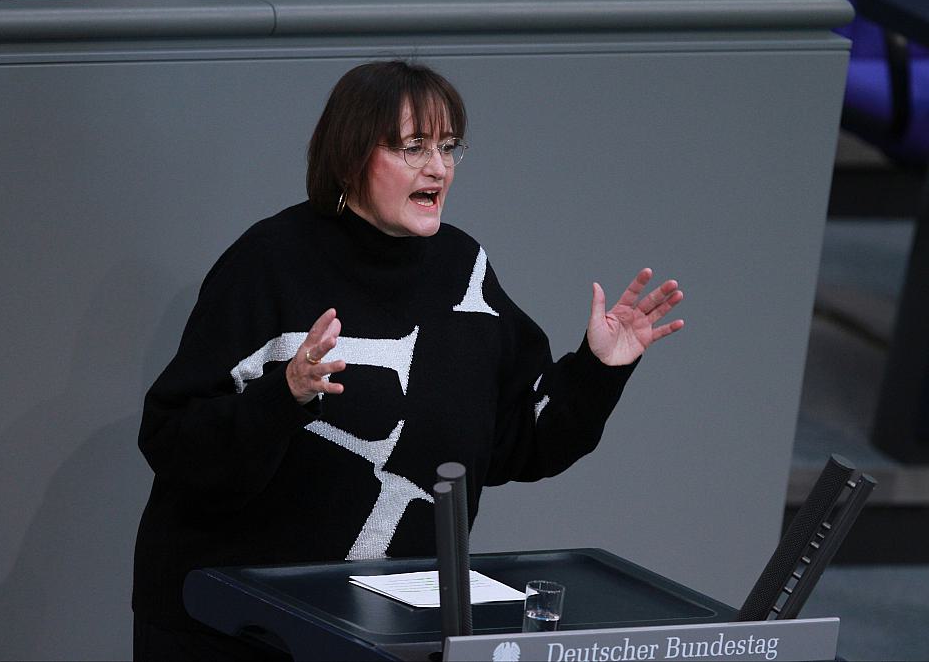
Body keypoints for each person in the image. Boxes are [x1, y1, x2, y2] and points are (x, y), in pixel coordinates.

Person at [132, 60, 683, 661]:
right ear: (351, 156)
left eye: (448, 147)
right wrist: (284, 394)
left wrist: (598, 368)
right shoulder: (270, 262)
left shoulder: (464, 273)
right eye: (413, 147)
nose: (438, 168)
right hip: (232, 630)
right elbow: (170, 438)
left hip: (380, 635)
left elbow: (519, 442)